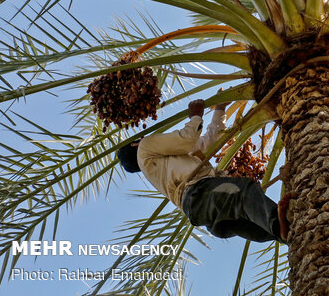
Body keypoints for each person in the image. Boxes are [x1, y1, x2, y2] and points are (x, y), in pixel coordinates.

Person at [116, 98, 287, 243]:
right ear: (134, 143)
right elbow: (187, 137)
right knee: (243, 190)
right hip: (201, 193)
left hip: (203, 211)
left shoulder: (165, 162)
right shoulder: (144, 147)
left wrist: (220, 109)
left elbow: (207, 142)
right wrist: (195, 115)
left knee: (253, 222)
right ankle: (280, 225)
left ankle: (289, 233)